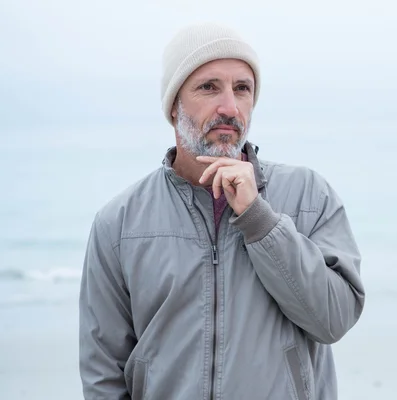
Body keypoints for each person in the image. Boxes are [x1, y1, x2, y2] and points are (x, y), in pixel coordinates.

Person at [79, 21, 365, 400]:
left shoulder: (309, 196)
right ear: (174, 105)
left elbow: (334, 320)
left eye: (242, 89)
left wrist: (259, 220)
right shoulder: (119, 223)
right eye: (209, 87)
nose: (229, 107)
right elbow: (103, 374)